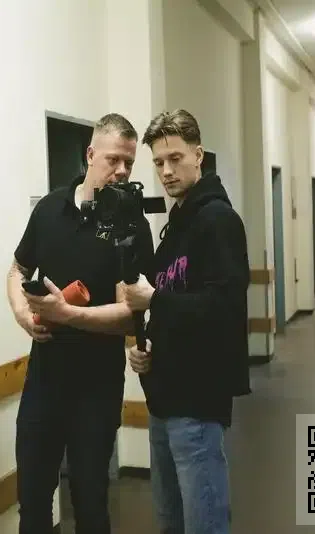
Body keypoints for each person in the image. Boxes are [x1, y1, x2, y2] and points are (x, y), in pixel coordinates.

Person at [6, 113, 155, 534]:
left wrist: (67, 314)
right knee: (33, 503)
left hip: (96, 389)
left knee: (91, 506)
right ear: (90, 155)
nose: (122, 170)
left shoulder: (133, 226)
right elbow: (17, 270)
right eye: (113, 159)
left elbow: (128, 314)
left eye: (129, 162)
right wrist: (23, 315)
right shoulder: (50, 209)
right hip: (44, 383)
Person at [123, 109, 251, 534]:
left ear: (198, 155)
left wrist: (154, 299)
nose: (166, 171)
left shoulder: (218, 221)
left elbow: (224, 308)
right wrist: (149, 347)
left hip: (197, 400)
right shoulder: (176, 225)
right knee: (171, 521)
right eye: (158, 162)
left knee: (203, 522)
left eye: (175, 158)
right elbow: (175, 300)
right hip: (164, 396)